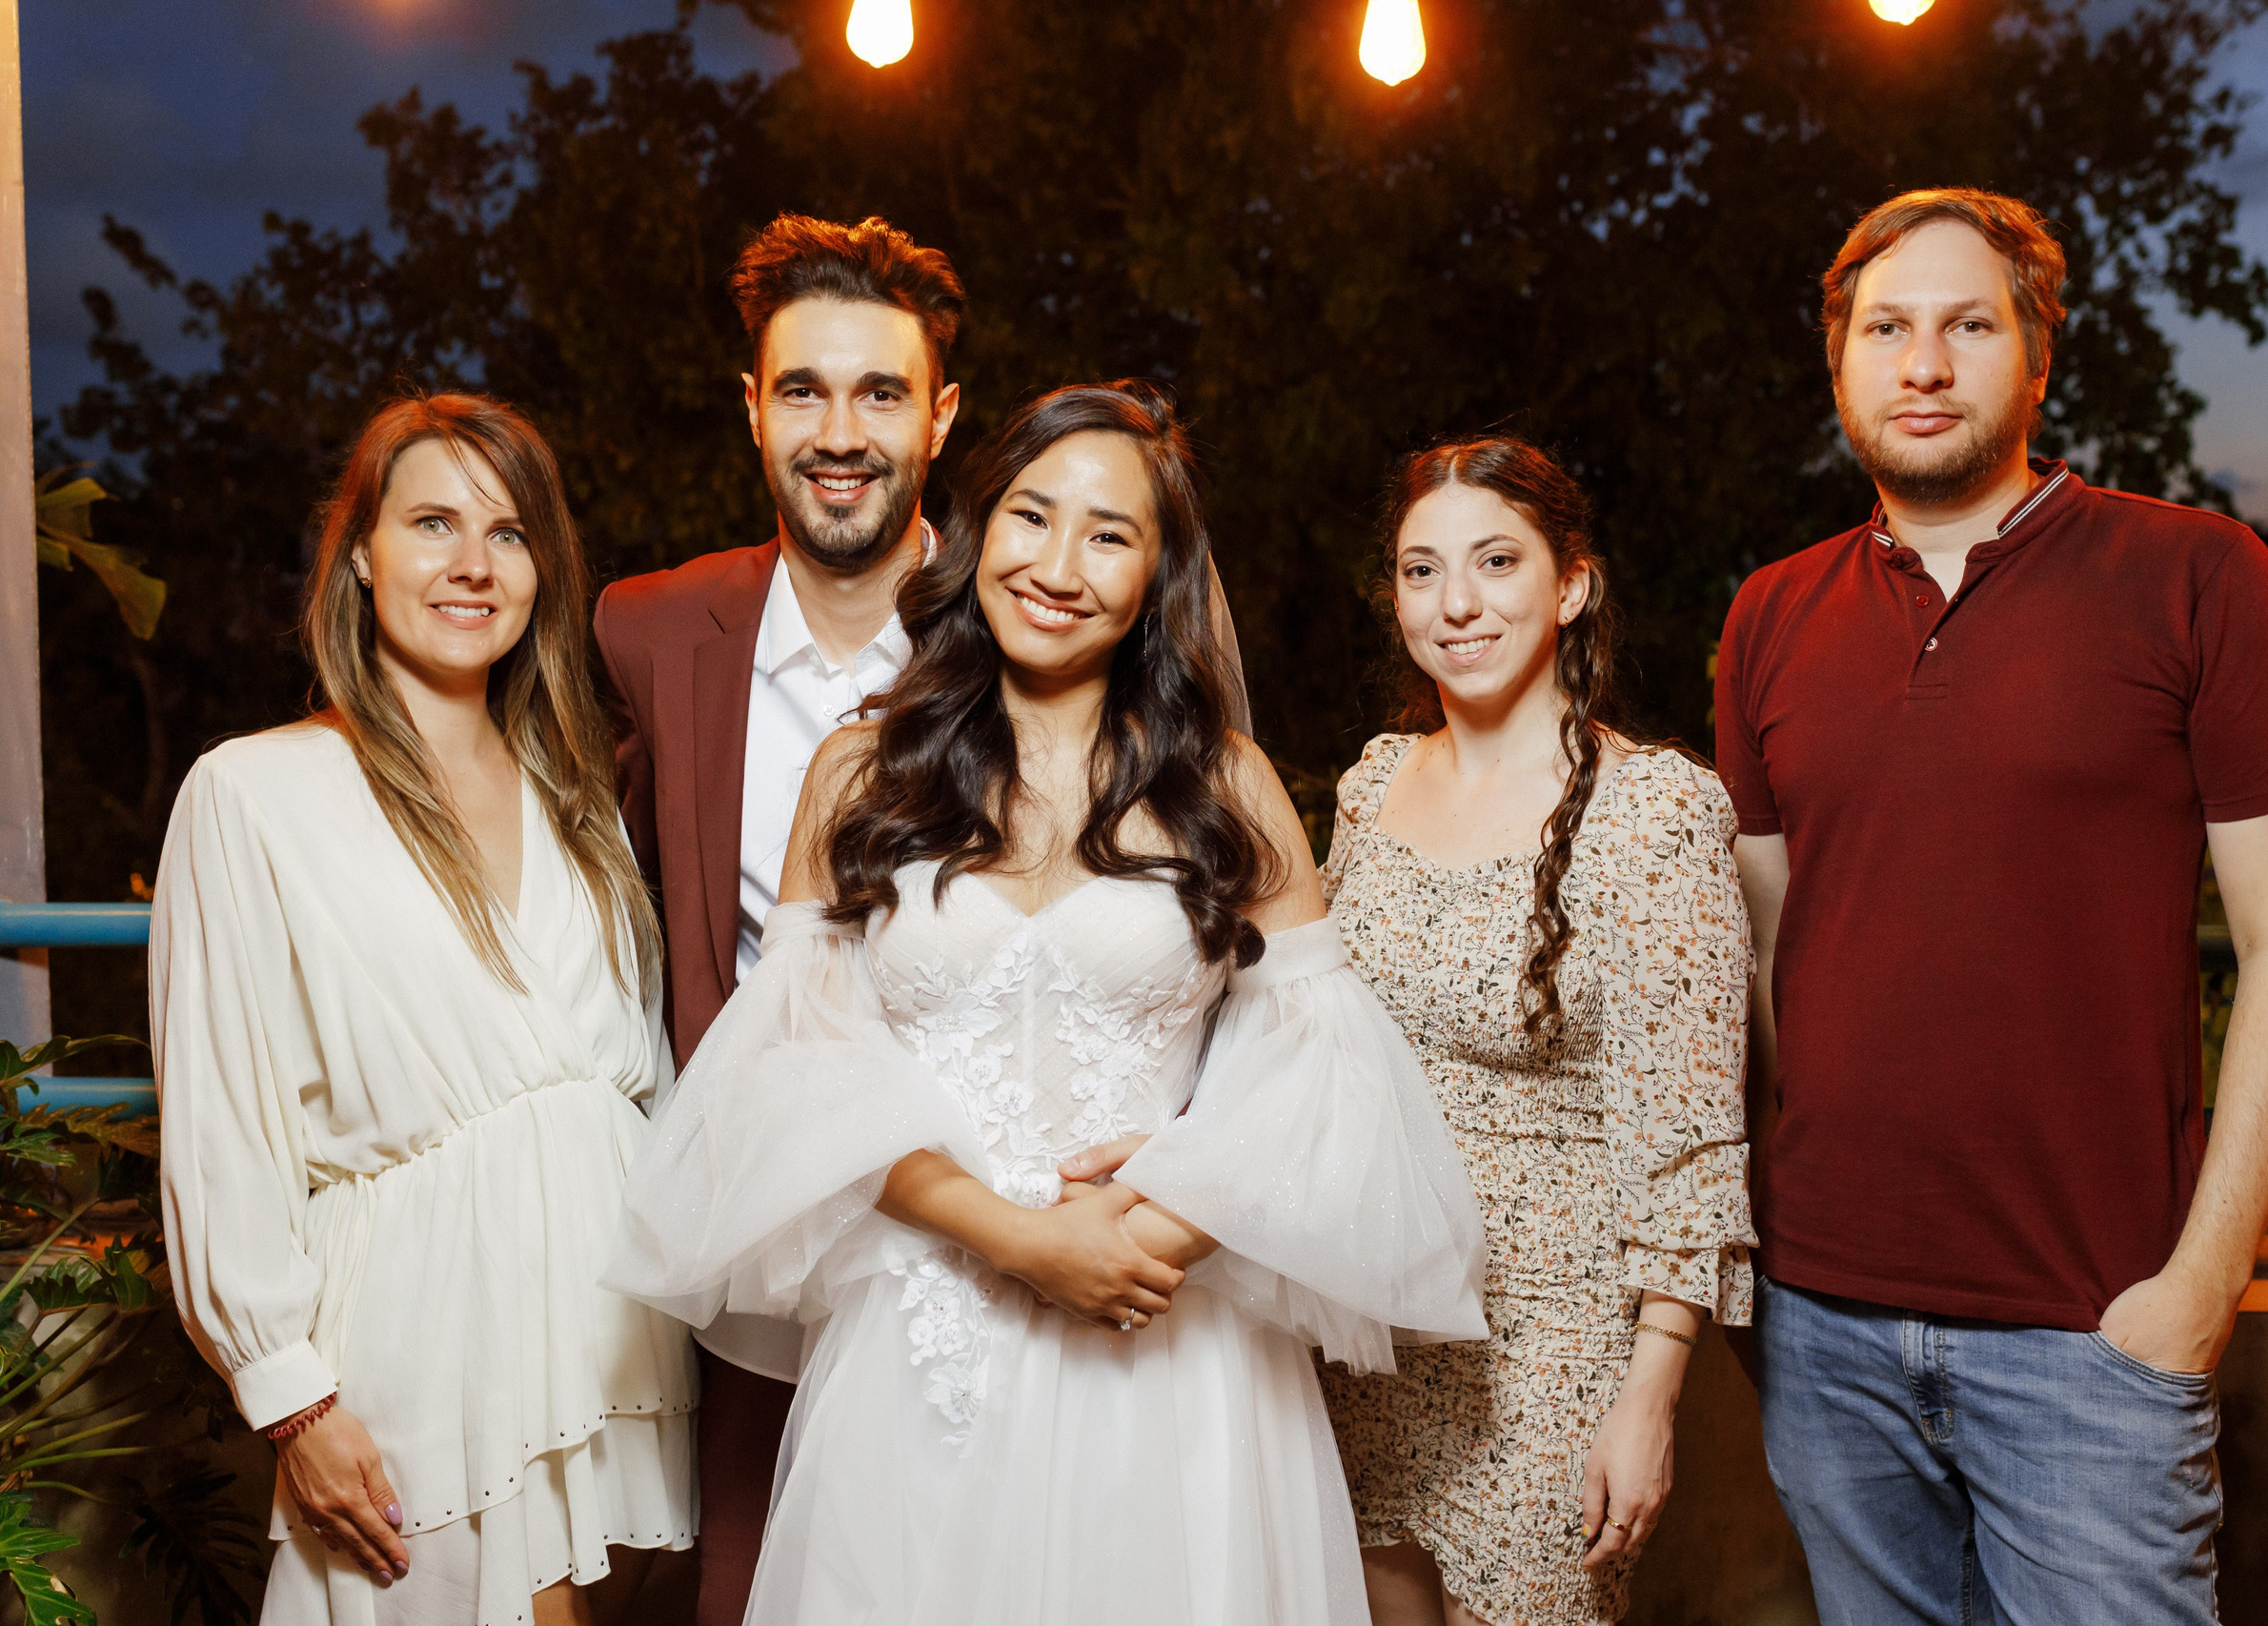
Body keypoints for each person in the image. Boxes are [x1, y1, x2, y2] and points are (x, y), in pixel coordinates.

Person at [604, 381, 1488, 1624]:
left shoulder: (1222, 784)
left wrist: (1170, 1216)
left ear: (1157, 575)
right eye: (1032, 515)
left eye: (1110, 533)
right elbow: (797, 1064)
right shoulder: (860, 772)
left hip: (1171, 1341)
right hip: (924, 1344)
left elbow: (1331, 1070)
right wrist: (1011, 1233)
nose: (1059, 564)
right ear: (979, 532)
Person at [1716, 188, 2268, 1624]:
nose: (1923, 365)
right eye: (1887, 328)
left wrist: (2200, 1284)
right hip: (1824, 1327)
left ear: (2036, 355)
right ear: (1841, 363)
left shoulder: (2196, 575)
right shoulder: (1770, 614)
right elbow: (1766, 958)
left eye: (1966, 326)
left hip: (2095, 1333)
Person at [151, 395, 697, 1626]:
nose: (471, 563)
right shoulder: (254, 793)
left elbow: (643, 1084)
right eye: (433, 522)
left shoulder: (582, 801)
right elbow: (221, 1130)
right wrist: (294, 1397)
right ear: (360, 553)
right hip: (420, 1347)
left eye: (507, 533)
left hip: (620, 1350)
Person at [1288, 437, 1753, 1626]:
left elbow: (1691, 1131)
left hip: (1553, 1335)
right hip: (1374, 1318)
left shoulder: (1657, 811)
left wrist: (1648, 1393)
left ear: (1571, 583)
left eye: (1497, 561)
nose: (1456, 604)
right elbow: (1304, 1030)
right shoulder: (1371, 782)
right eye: (1420, 569)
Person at [591, 213, 962, 1624]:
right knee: (750, 1595)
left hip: (978, 1230)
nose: (840, 429)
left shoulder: (1033, 613)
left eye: (880, 391)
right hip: (757, 1247)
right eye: (803, 389)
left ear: (940, 409)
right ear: (753, 408)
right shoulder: (649, 628)